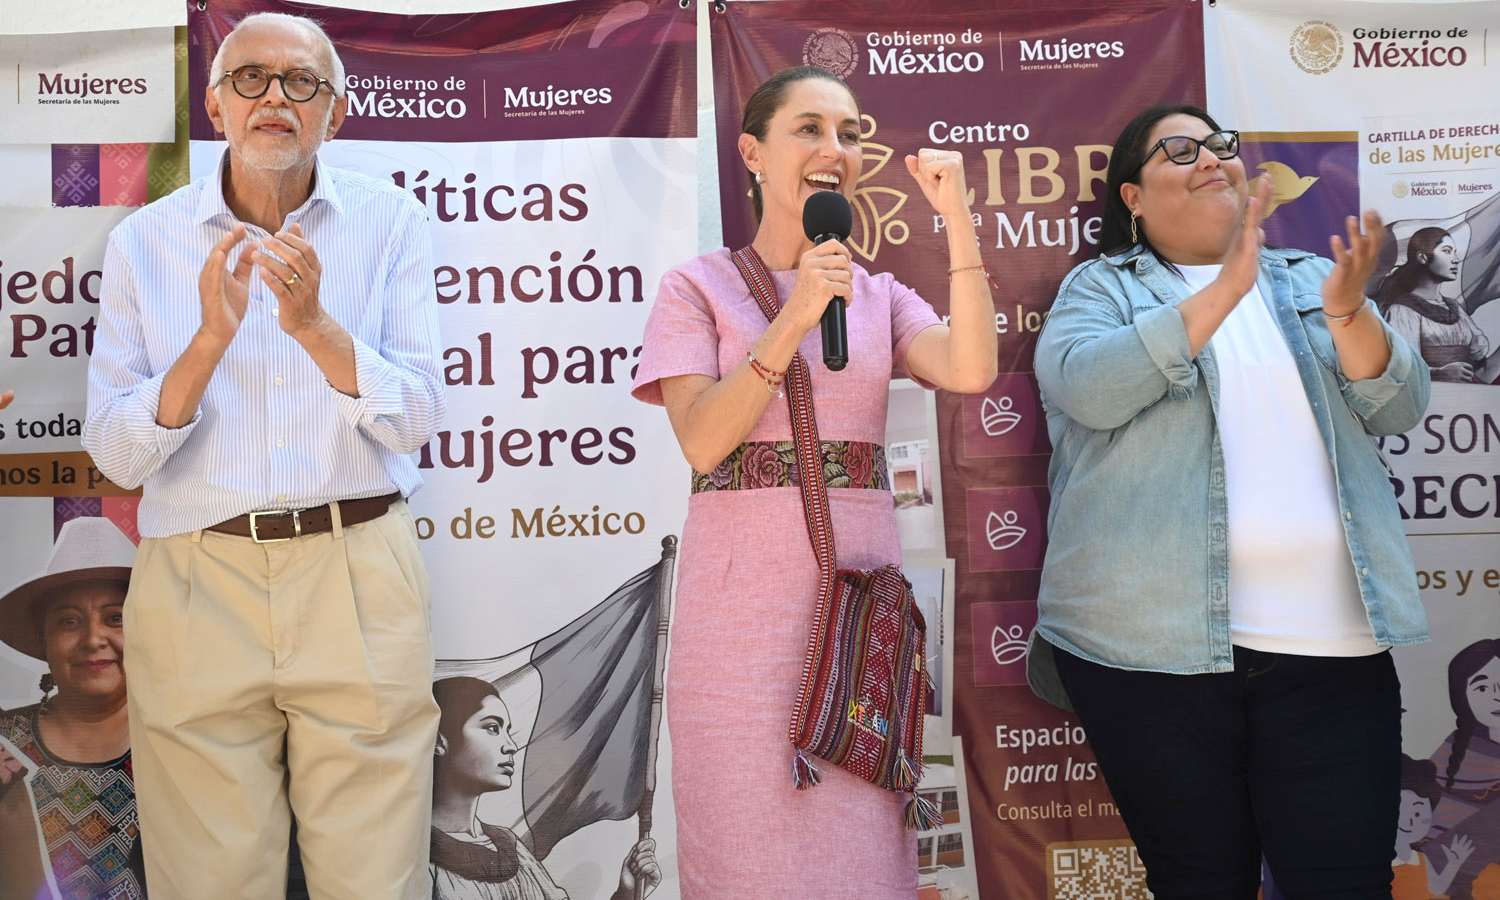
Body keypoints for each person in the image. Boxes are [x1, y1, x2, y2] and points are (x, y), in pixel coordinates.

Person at [81, 11, 444, 898]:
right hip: (198, 579)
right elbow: (119, 458)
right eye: (251, 79)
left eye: (301, 82)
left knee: (375, 878)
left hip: (357, 567)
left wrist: (317, 328)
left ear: (338, 113)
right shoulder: (144, 242)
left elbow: (418, 418)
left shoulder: (392, 223)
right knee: (208, 880)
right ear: (215, 106)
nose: (275, 97)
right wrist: (209, 340)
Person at [1028, 104, 1431, 898]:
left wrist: (1350, 312)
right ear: (1133, 197)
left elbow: (1400, 405)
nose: (1212, 157)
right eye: (1180, 149)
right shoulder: (1100, 287)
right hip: (1153, 657)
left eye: (1220, 144)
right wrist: (1224, 290)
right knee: (1199, 883)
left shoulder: (1312, 278)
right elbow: (1087, 388)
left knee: (1345, 884)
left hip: (1333, 650)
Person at [630, 65, 997, 898]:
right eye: (810, 129)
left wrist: (958, 222)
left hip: (858, 614)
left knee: (861, 849)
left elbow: (971, 368)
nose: (836, 149)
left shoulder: (879, 294)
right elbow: (703, 441)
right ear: (752, 153)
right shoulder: (699, 286)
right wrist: (796, 315)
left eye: (850, 133)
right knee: (747, 841)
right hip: (740, 625)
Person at [0, 517, 147, 899]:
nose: (93, 638)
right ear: (42, 639)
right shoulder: (4, 742)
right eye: (69, 621)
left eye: (116, 618)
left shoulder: (182, 740)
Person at [428, 677, 660, 900]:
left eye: (507, 730)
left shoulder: (509, 845)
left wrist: (627, 892)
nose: (510, 746)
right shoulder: (417, 852)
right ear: (439, 741)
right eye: (492, 728)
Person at [1376, 227, 1499, 383]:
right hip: (1433, 396)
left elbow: (1478, 355)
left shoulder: (1454, 308)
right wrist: (1438, 373)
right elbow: (1403, 367)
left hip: (1468, 393)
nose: (1455, 259)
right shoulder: (1402, 310)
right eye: (1447, 251)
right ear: (1422, 257)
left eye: (1455, 252)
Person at [1393, 754, 1475, 899]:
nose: (1410, 821)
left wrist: (1454, 864)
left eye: (1418, 814)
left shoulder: (1420, 858)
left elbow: (1436, 887)